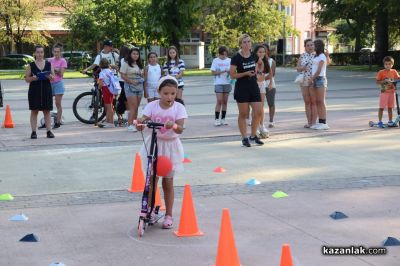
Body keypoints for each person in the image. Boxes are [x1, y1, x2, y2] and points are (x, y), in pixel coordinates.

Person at [136, 75, 188, 229]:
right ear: (159, 92)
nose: (169, 97)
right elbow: (142, 122)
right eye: (166, 93)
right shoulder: (152, 105)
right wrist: (140, 122)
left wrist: (174, 126)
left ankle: (169, 214)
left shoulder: (179, 107)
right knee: (151, 181)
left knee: (168, 182)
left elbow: (180, 129)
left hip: (171, 147)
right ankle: (150, 210)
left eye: (173, 93)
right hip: (154, 144)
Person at [229, 34, 264, 147]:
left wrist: (259, 72)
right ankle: (244, 138)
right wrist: (245, 73)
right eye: (244, 42)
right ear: (240, 44)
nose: (247, 44)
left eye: (249, 41)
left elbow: (260, 63)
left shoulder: (253, 55)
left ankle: (253, 136)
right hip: (242, 88)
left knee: (258, 112)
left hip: (253, 86)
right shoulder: (236, 57)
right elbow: (232, 75)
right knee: (244, 114)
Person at [25, 45, 55, 139]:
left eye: (41, 52)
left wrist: (50, 77)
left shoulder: (49, 64)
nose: (40, 54)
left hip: (46, 89)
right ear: (35, 53)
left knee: (47, 111)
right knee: (34, 111)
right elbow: (26, 79)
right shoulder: (31, 65)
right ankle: (33, 132)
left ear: (43, 53)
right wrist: (32, 78)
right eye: (38, 52)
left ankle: (49, 131)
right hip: (34, 90)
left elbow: (53, 77)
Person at [120, 47, 144, 132]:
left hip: (139, 87)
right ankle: (130, 124)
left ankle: (134, 124)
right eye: (134, 53)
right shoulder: (126, 64)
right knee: (132, 107)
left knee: (136, 107)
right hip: (130, 87)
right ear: (130, 54)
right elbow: (122, 75)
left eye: (137, 54)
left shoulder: (139, 64)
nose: (135, 55)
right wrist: (131, 81)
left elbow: (142, 75)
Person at [296, 39, 317, 128]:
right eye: (308, 45)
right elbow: (297, 68)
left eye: (311, 45)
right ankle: (309, 122)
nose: (310, 47)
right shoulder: (302, 56)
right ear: (305, 47)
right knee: (307, 102)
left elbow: (325, 65)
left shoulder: (317, 55)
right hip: (304, 81)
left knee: (314, 102)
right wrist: (303, 68)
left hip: (313, 80)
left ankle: (314, 122)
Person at [376, 56, 400, 127]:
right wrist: (384, 81)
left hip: (392, 92)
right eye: (386, 64)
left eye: (389, 64)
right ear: (384, 64)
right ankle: (380, 122)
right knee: (381, 107)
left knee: (390, 107)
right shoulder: (381, 72)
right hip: (384, 93)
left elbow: (398, 78)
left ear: (392, 64)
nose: (388, 65)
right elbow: (377, 82)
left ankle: (390, 121)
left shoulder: (394, 71)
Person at [310, 39, 329, 130]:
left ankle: (324, 122)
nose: (312, 47)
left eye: (313, 45)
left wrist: (311, 78)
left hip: (320, 79)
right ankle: (320, 121)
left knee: (321, 101)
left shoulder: (322, 56)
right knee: (317, 101)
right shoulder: (316, 56)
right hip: (315, 79)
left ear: (318, 46)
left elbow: (319, 70)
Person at [254, 45, 272, 138]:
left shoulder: (266, 61)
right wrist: (258, 64)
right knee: (255, 107)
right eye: (260, 52)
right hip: (253, 85)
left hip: (261, 84)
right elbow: (256, 72)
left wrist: (270, 83)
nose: (262, 53)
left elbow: (268, 73)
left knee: (261, 106)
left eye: (263, 52)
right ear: (256, 53)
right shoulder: (253, 61)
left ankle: (262, 125)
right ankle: (255, 127)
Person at [210, 46, 231, 126]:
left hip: (227, 83)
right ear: (219, 54)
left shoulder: (229, 60)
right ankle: (216, 119)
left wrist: (229, 72)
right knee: (219, 101)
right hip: (218, 83)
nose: (224, 56)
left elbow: (232, 71)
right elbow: (213, 72)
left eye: (225, 54)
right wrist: (223, 71)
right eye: (222, 55)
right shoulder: (215, 61)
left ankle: (223, 119)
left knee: (225, 102)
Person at [48, 43, 67, 129]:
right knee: (47, 104)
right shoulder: (50, 60)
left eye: (58, 52)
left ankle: (58, 122)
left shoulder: (63, 61)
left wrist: (54, 69)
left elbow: (61, 74)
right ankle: (47, 121)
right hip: (49, 83)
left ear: (61, 52)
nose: (56, 53)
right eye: (55, 52)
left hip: (58, 83)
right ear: (53, 52)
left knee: (58, 103)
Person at [97, 58, 115, 128]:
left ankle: (111, 123)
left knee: (108, 106)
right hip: (111, 89)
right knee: (109, 105)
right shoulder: (110, 71)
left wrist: (98, 88)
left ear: (100, 65)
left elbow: (100, 83)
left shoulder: (102, 73)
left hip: (105, 89)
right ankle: (108, 121)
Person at [264, 44, 277, 128]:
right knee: (258, 104)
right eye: (260, 51)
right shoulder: (256, 61)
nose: (263, 52)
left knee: (271, 103)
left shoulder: (272, 61)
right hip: (259, 85)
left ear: (267, 51)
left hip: (270, 85)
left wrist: (260, 78)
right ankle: (258, 121)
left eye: (264, 50)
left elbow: (271, 74)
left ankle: (271, 120)